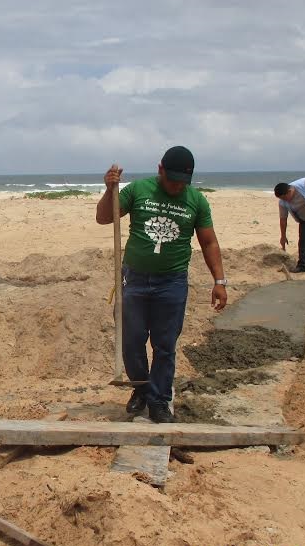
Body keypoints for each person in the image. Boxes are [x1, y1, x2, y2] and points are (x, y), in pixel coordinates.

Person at [96, 145, 228, 423]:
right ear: (160, 170)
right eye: (172, 180)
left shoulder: (197, 201)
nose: (177, 186)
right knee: (131, 341)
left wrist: (219, 281)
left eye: (183, 182)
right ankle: (141, 389)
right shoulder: (138, 190)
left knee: (165, 345)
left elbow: (209, 242)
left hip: (172, 282)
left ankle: (158, 400)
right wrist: (110, 191)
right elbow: (104, 218)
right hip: (134, 279)